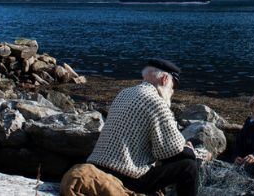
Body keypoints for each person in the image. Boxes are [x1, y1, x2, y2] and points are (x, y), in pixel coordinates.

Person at [87, 58, 206, 196]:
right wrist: (191, 151)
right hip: (125, 176)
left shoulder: (124, 93)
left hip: (97, 167)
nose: (172, 92)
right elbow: (171, 151)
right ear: (165, 80)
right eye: (173, 87)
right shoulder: (156, 102)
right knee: (188, 167)